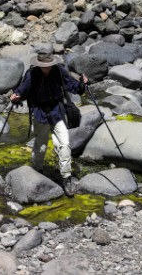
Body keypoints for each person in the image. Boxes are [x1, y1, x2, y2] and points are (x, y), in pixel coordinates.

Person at [10, 45, 88, 196]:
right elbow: (23, 90)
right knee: (41, 146)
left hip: (57, 111)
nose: (47, 68)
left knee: (64, 144)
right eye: (44, 66)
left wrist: (82, 85)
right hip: (39, 113)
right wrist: (17, 95)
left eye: (49, 65)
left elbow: (72, 86)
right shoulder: (32, 73)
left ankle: (66, 177)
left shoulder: (58, 70)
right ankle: (38, 170)